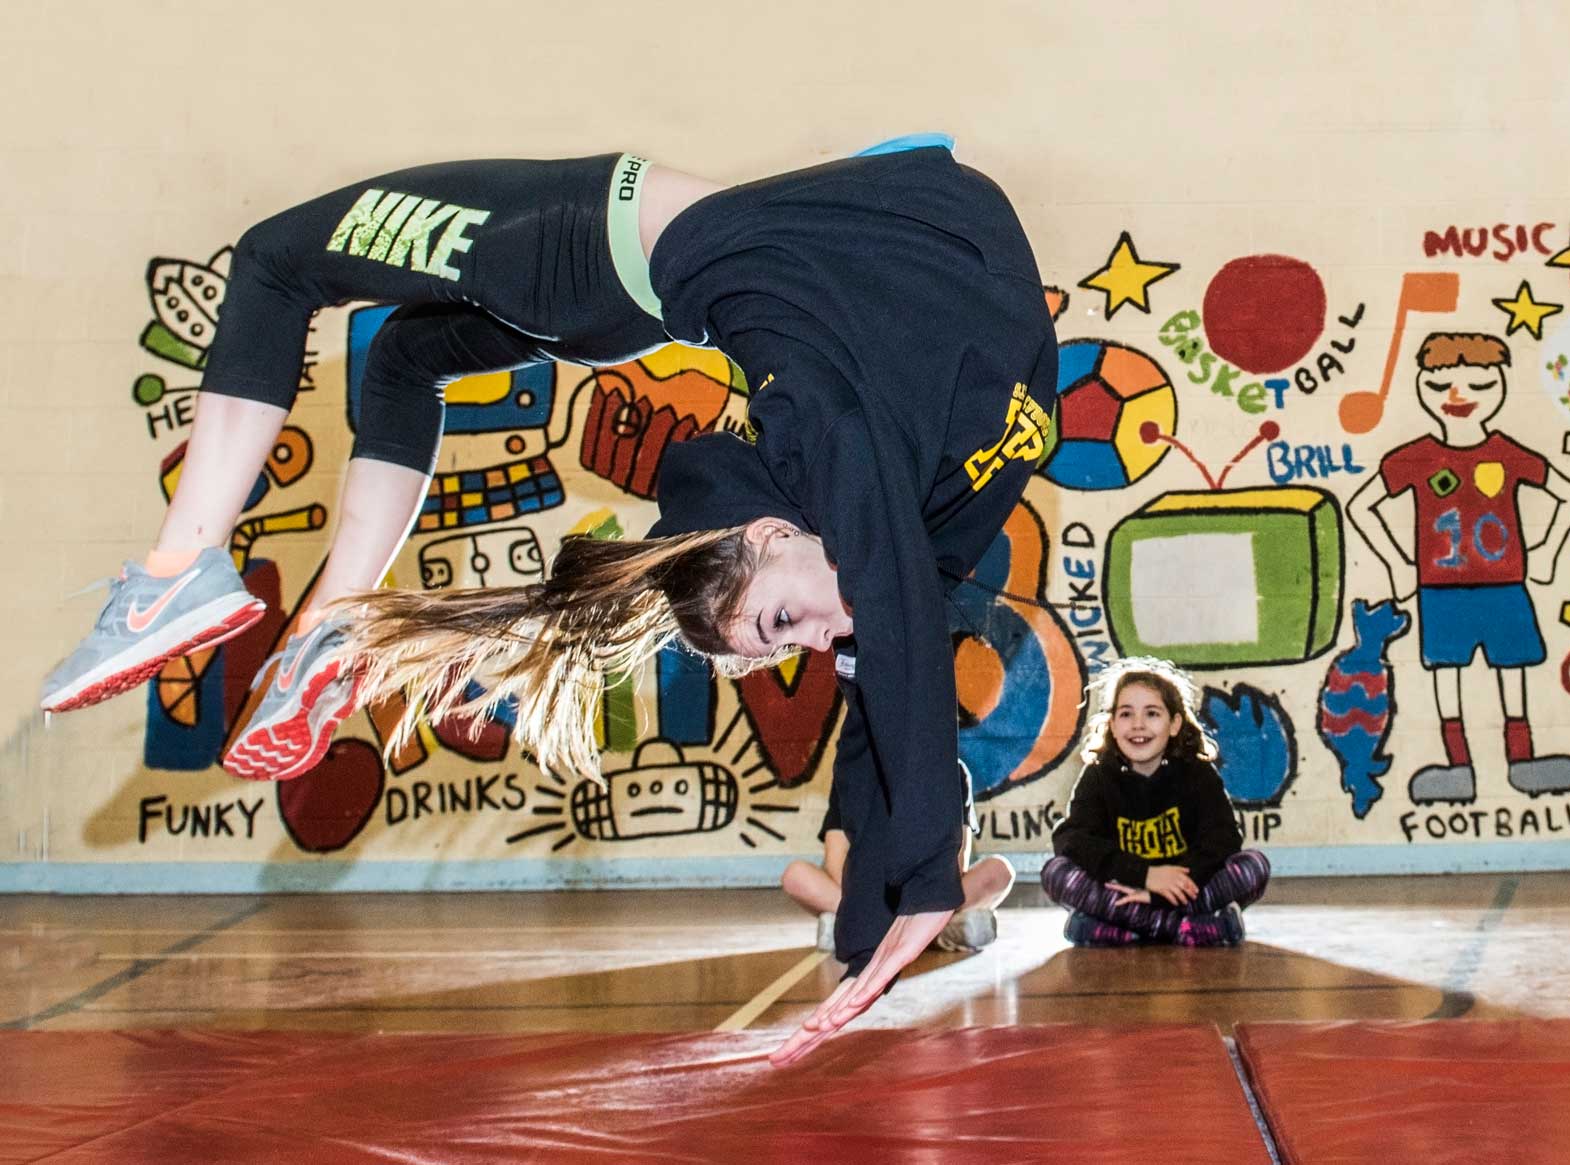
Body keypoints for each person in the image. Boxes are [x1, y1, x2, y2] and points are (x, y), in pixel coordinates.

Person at [41, 140, 1059, 1062]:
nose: (828, 630)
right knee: (384, 344)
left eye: (780, 628)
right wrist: (911, 882)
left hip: (589, 259)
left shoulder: (856, 447)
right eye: (788, 630)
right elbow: (896, 649)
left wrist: (907, 888)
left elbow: (896, 656)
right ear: (766, 530)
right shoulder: (881, 466)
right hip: (601, 279)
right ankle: (313, 619)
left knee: (277, 261)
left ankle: (207, 579)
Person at [1347, 332, 1570, 804]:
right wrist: (1400, 562)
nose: (1457, 396)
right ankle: (1460, 768)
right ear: (1421, 388)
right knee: (1447, 674)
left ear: (1498, 386)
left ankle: (1521, 761)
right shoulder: (1415, 458)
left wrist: (1547, 552)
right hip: (1441, 590)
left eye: (1476, 383)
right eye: (1440, 386)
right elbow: (1361, 506)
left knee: (1512, 671)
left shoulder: (1506, 453)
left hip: (1504, 587)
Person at [1040, 657, 1270, 947]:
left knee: (1253, 866)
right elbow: (1072, 840)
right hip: (1125, 887)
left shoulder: (1196, 773)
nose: (1138, 725)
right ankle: (1188, 929)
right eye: (1126, 714)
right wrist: (1145, 875)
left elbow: (1223, 839)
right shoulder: (1099, 775)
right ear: (1112, 723)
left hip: (1182, 889)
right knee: (1056, 873)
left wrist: (1162, 892)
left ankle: (1120, 929)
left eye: (1152, 713)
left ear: (1174, 724)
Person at [784, 762, 1015, 955]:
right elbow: (835, 863)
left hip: (929, 895)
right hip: (866, 896)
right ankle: (936, 933)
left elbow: (956, 863)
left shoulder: (952, 771)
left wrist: (916, 900)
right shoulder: (852, 772)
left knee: (998, 871)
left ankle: (871, 933)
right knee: (795, 876)